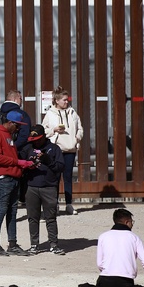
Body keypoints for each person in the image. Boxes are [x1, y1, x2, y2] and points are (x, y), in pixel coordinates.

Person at [0, 110, 34, 256]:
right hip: (4, 178)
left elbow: (8, 156)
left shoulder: (9, 135)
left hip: (13, 177)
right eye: (17, 125)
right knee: (2, 210)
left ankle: (12, 244)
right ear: (10, 123)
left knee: (12, 212)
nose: (19, 129)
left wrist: (22, 165)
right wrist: (19, 162)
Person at [19, 124, 65, 255]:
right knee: (32, 218)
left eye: (38, 139)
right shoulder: (28, 149)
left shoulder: (54, 149)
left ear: (44, 136)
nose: (36, 142)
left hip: (49, 187)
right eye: (33, 140)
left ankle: (54, 244)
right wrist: (28, 165)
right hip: (31, 187)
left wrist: (48, 161)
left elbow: (61, 167)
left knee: (50, 217)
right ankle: (34, 245)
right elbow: (20, 164)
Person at [42, 86, 84, 215]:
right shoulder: (50, 114)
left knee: (68, 177)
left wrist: (77, 138)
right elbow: (43, 130)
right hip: (57, 149)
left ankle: (69, 204)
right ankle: (54, 205)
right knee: (54, 177)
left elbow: (80, 128)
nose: (66, 102)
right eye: (64, 100)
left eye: (67, 100)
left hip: (70, 148)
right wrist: (54, 130)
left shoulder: (72, 112)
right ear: (57, 101)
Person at [0, 90, 32, 205]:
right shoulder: (22, 114)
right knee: (19, 176)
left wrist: (3, 148)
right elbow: (24, 135)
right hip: (19, 151)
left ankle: (4, 200)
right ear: (15, 99)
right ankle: (20, 199)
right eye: (21, 99)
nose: (21, 101)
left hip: (1, 153)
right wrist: (12, 147)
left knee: (3, 177)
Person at [96, 209, 144, 287]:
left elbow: (99, 264)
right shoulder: (134, 237)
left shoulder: (103, 236)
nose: (132, 225)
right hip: (125, 281)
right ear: (127, 222)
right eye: (131, 222)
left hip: (104, 280)